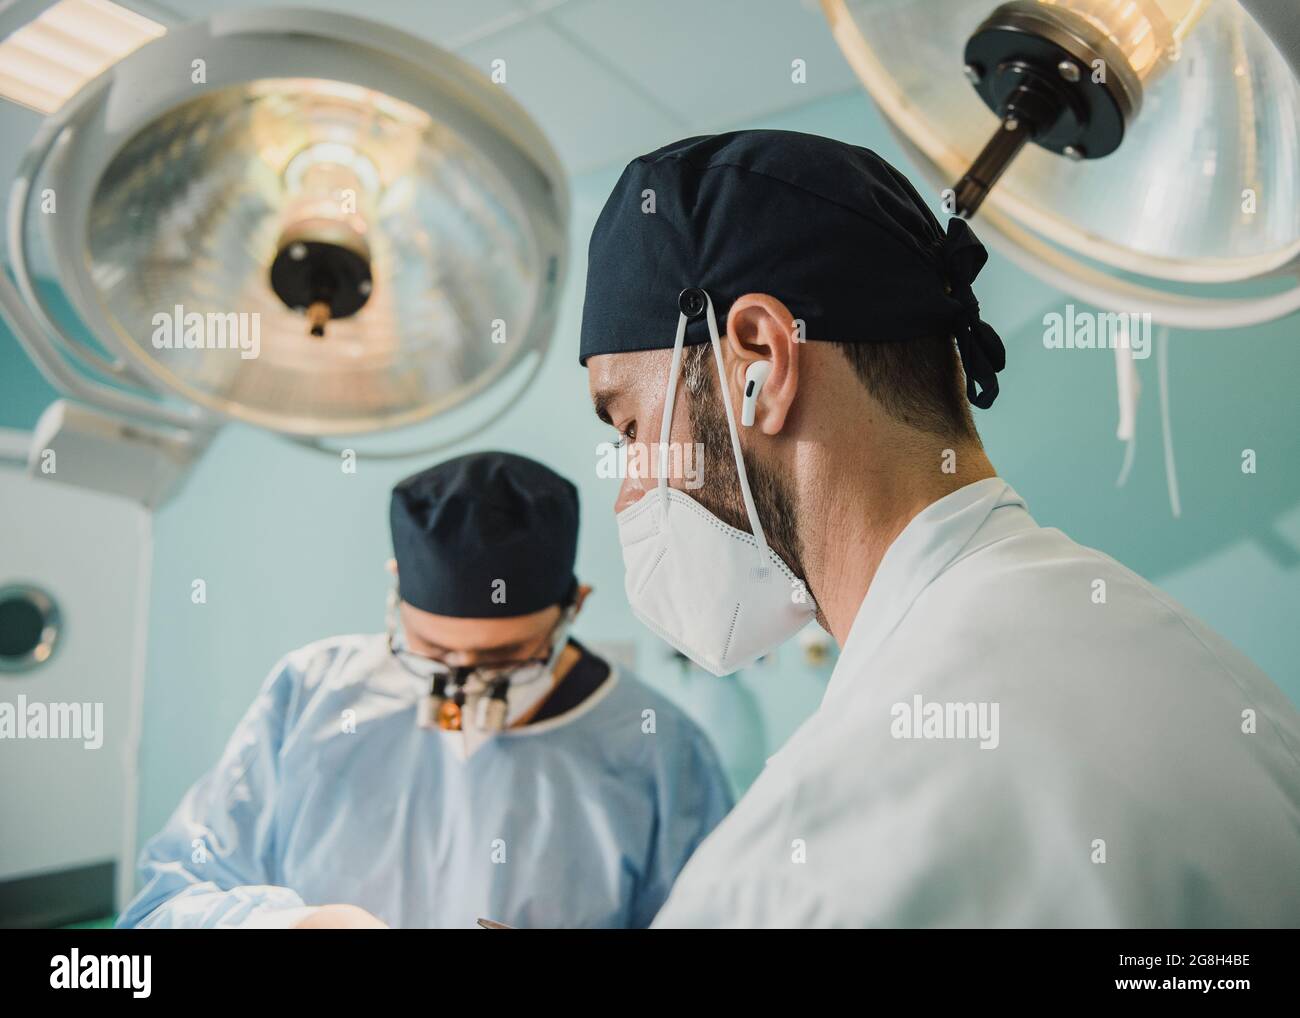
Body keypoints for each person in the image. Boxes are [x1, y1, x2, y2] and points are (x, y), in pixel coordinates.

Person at [579, 129, 1300, 927]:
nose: (629, 496)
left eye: (631, 429)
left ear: (763, 362)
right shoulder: (1226, 690)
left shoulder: (800, 865)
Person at [117, 451, 732, 929]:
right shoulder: (309, 696)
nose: (462, 681)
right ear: (395, 592)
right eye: (434, 652)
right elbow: (160, 908)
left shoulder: (662, 751)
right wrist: (291, 923)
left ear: (575, 606)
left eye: (505, 657)